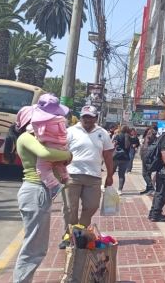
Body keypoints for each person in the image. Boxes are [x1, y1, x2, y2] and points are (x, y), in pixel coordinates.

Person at [11, 105, 72, 282]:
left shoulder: (39, 139)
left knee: (37, 247)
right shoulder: (26, 137)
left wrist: (64, 156)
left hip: (39, 192)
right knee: (33, 249)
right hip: (35, 191)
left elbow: (60, 159)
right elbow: (46, 154)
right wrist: (67, 153)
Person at [60, 105, 114, 249]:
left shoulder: (102, 133)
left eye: (90, 117)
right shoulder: (70, 131)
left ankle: (79, 232)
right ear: (81, 117)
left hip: (94, 176)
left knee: (92, 206)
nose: (87, 120)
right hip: (72, 175)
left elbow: (108, 156)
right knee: (70, 208)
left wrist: (110, 175)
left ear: (96, 118)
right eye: (85, 117)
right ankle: (68, 236)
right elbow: (60, 151)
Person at [30, 94, 70, 199]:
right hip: (63, 146)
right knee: (59, 164)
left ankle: (54, 186)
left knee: (42, 168)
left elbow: (41, 137)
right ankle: (65, 177)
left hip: (51, 147)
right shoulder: (61, 120)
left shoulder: (41, 122)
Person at [113, 125, 131, 195]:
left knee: (111, 172)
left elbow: (113, 145)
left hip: (117, 157)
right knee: (121, 174)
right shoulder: (129, 137)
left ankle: (106, 186)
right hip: (126, 158)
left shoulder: (118, 136)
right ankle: (120, 190)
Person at [139, 126, 156, 194]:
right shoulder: (153, 136)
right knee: (148, 173)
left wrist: (146, 139)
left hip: (146, 155)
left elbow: (148, 142)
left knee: (144, 173)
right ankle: (148, 188)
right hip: (146, 155)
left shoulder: (150, 135)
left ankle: (151, 187)